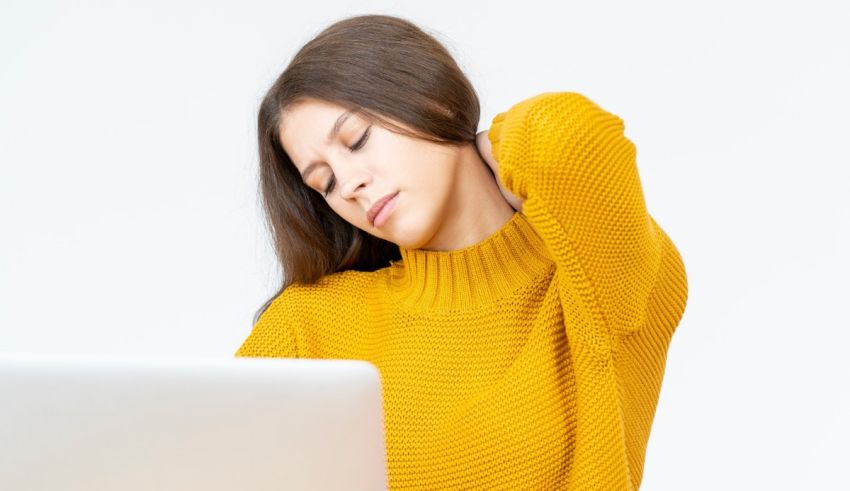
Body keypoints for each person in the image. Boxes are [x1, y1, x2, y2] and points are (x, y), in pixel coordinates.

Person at [235, 13, 689, 491]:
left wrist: (481, 144)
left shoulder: (598, 277)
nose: (350, 184)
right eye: (324, 182)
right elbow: (198, 456)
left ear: (431, 98)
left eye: (358, 140)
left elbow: (569, 136)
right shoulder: (311, 323)